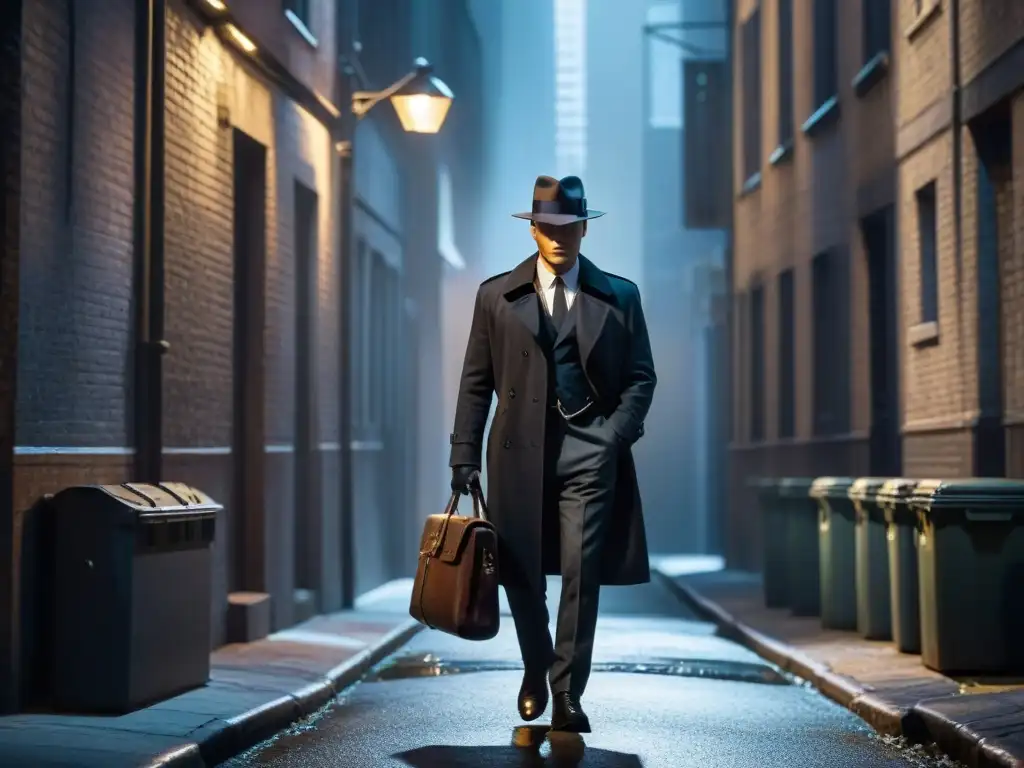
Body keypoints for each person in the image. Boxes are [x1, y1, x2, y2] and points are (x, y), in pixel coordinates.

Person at [448, 175, 656, 733]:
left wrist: (613, 437)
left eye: (569, 226)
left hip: (590, 453)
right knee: (519, 575)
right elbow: (476, 382)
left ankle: (567, 691)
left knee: (580, 573)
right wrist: (463, 454)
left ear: (585, 228)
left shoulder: (620, 296)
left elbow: (641, 379)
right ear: (534, 228)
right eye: (548, 226)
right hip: (516, 453)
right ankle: (536, 667)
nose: (559, 236)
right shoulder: (496, 295)